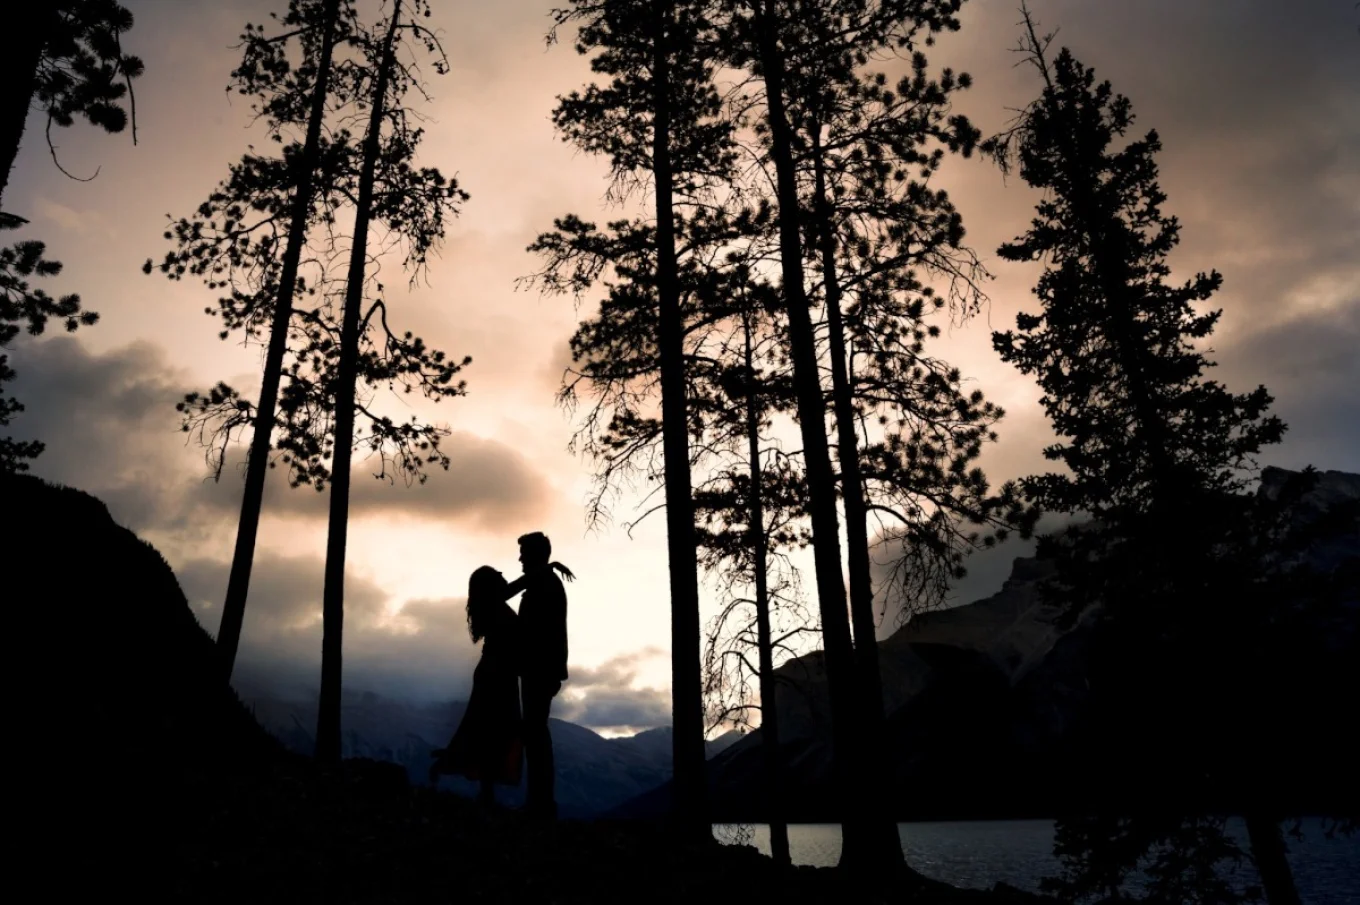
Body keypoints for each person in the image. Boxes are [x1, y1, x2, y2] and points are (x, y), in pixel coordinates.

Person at [513, 531, 570, 819]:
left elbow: (545, 632)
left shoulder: (544, 583)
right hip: (538, 669)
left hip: (538, 669)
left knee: (535, 733)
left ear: (535, 555)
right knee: (534, 733)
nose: (520, 558)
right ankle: (539, 801)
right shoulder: (545, 581)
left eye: (524, 552)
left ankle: (540, 804)